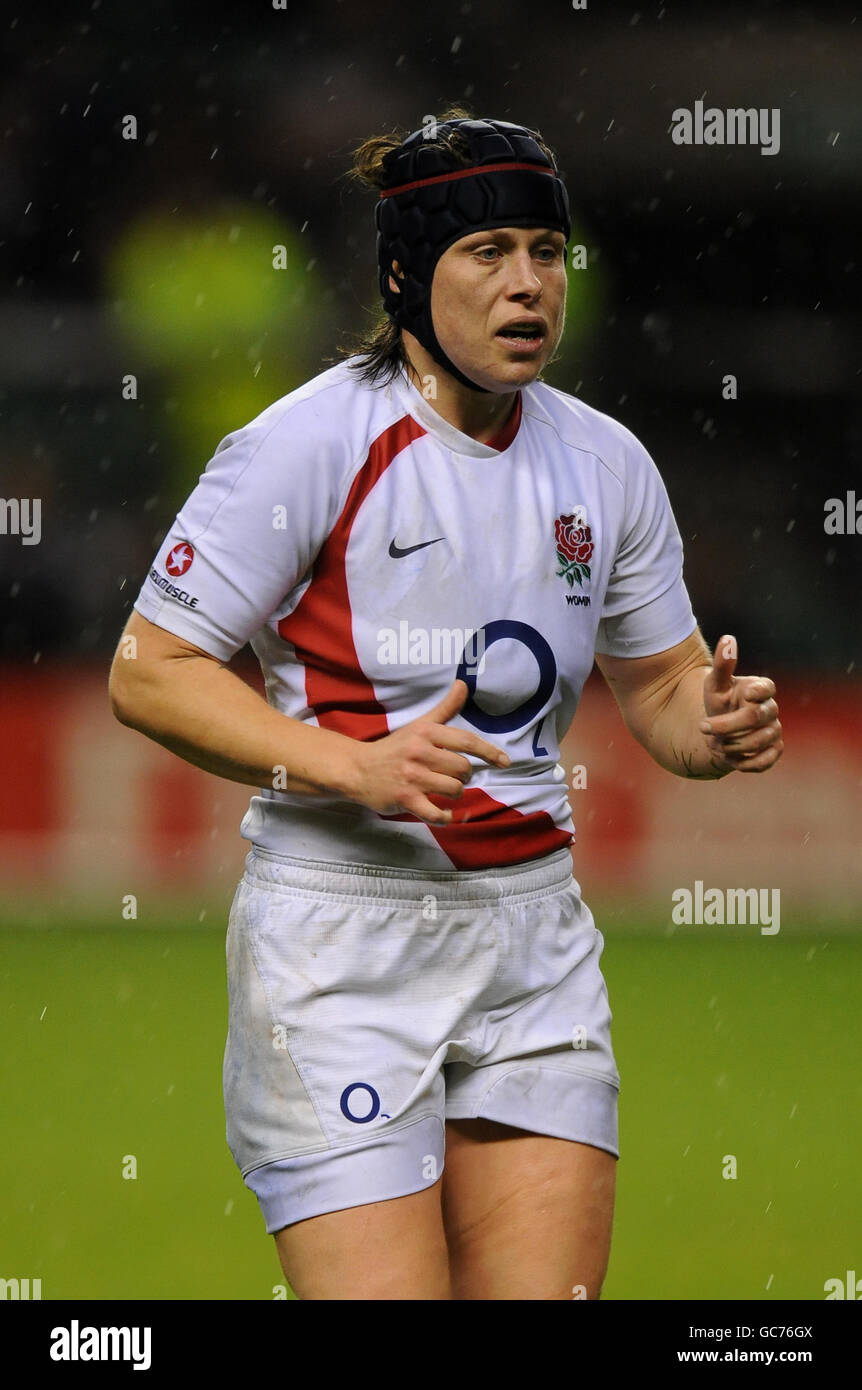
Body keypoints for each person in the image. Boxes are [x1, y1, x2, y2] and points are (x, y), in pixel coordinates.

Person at [108, 110, 783, 1301]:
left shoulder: (605, 463)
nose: (529, 284)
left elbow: (663, 687)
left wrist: (712, 725)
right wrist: (351, 767)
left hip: (532, 946)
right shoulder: (302, 446)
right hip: (339, 947)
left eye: (545, 250)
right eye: (488, 253)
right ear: (406, 274)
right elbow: (149, 671)